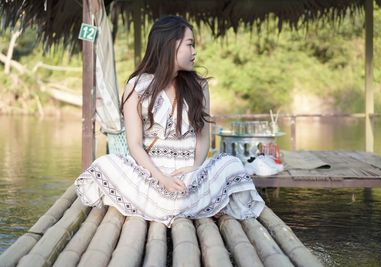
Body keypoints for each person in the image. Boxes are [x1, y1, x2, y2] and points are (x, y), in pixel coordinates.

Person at [75, 15, 264, 227]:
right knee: (104, 164)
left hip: (190, 176)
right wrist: (161, 178)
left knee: (232, 165)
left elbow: (203, 136)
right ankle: (191, 205)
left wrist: (194, 166)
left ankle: (175, 203)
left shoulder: (199, 86)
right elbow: (135, 145)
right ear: (171, 45)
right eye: (190, 45)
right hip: (150, 173)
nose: (194, 52)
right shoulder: (137, 86)